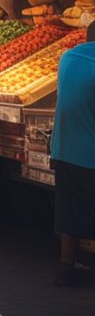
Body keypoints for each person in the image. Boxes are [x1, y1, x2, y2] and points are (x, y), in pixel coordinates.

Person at [51, 22, 95, 286]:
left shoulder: (68, 57)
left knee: (69, 211)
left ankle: (66, 267)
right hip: (88, 154)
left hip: (63, 149)